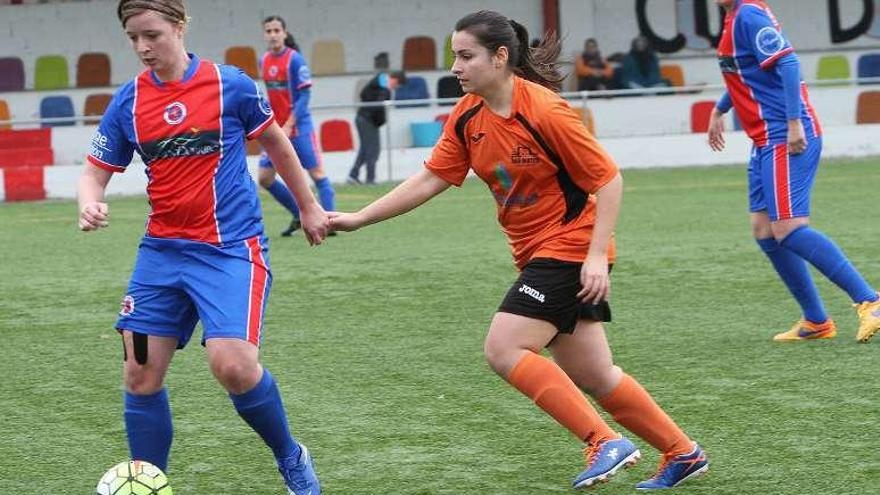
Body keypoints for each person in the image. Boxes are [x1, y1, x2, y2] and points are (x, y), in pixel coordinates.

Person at [330, 10, 708, 491]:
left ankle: (602, 441)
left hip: (570, 245)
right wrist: (360, 217)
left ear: (501, 57)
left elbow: (609, 180)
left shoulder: (545, 111)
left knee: (504, 347)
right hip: (541, 253)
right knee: (593, 373)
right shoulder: (468, 115)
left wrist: (594, 256)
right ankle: (683, 452)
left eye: (466, 56)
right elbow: (431, 178)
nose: (456, 66)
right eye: (454, 56)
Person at [78, 2, 328, 493]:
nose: (143, 47)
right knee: (140, 375)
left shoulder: (229, 84)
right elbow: (94, 171)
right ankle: (149, 483)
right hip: (162, 255)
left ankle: (290, 456)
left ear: (179, 26)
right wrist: (90, 202)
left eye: (152, 34)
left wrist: (309, 206)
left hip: (231, 248)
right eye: (133, 38)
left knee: (233, 365)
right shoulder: (128, 102)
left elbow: (276, 143)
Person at [708, 0, 880, 342]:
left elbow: (787, 62)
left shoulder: (749, 16)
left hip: (784, 136)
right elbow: (745, 73)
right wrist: (719, 109)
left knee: (788, 228)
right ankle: (816, 321)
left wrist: (793, 123)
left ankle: (870, 301)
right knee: (764, 230)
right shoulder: (732, 16)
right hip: (764, 139)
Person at [260, 15, 336, 237]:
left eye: (276, 30)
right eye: (269, 31)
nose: (273, 35)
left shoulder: (295, 60)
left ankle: (330, 222)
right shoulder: (263, 60)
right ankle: (299, 213)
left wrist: (289, 124)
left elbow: (304, 96)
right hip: (276, 130)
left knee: (317, 173)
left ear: (284, 33)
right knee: (265, 177)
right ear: (264, 35)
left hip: (299, 128)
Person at [347, 70, 406, 185]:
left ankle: (353, 175)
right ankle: (370, 179)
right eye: (396, 85)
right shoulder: (380, 85)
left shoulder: (381, 87)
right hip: (366, 120)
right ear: (395, 80)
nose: (395, 88)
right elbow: (373, 100)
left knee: (365, 150)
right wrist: (386, 91)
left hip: (369, 121)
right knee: (372, 150)